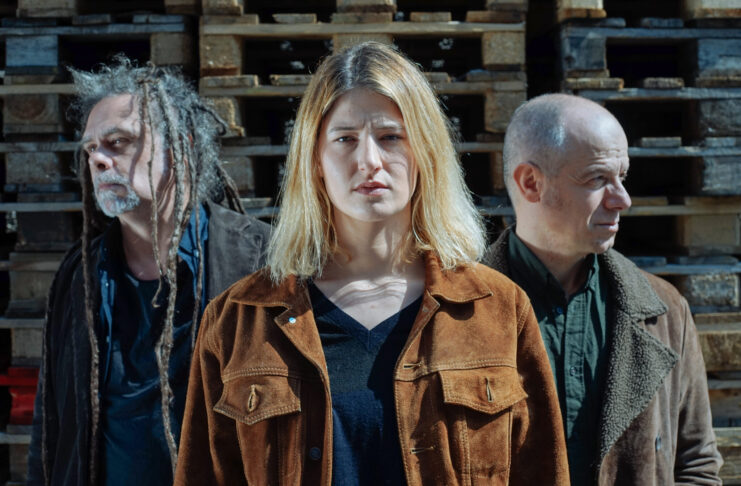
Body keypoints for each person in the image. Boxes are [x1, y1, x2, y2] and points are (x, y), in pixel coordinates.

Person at [174, 42, 569, 486]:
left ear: (425, 151)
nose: (368, 161)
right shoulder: (238, 320)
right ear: (315, 160)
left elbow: (543, 472)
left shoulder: (498, 309)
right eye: (345, 139)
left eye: (390, 137)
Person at [27, 58, 271, 486]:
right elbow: (51, 424)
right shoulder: (81, 274)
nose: (98, 159)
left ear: (180, 147)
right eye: (90, 149)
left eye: (118, 142)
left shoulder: (258, 261)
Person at [482, 93, 723, 485]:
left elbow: (696, 464)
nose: (622, 199)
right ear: (531, 183)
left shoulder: (665, 311)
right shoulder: (454, 309)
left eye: (621, 177)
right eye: (597, 179)